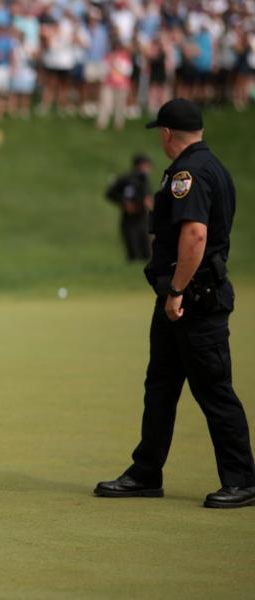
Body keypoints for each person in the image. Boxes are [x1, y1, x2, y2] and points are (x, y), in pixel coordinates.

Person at [95, 98, 255, 509]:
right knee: (161, 388)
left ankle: (242, 480)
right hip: (183, 296)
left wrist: (177, 290)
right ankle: (146, 472)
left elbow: (195, 236)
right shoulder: (212, 166)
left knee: (214, 390)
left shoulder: (189, 173)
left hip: (193, 299)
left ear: (167, 133)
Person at [105, 153, 153, 262]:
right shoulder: (127, 179)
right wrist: (124, 203)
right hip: (129, 219)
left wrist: (149, 201)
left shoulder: (145, 179)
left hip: (143, 218)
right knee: (133, 250)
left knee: (147, 251)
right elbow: (110, 193)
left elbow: (148, 195)